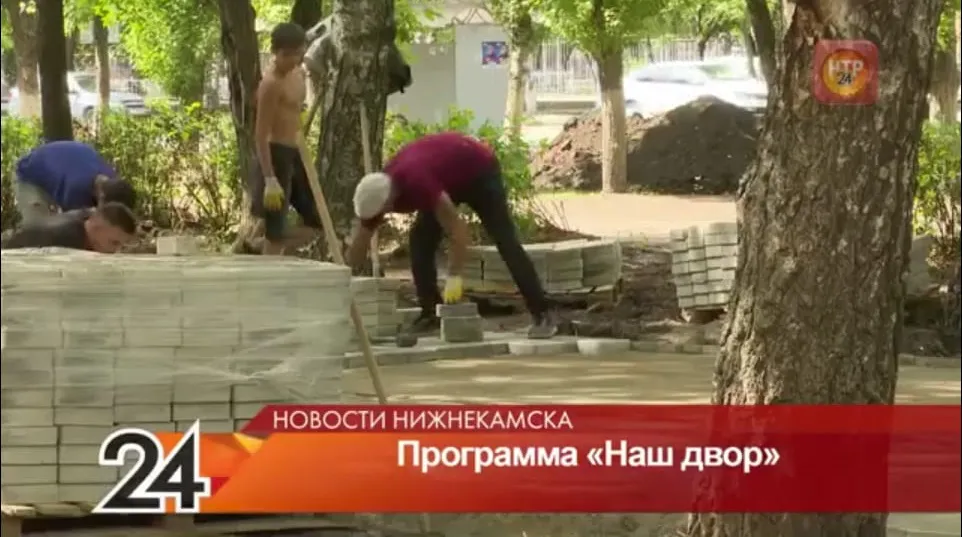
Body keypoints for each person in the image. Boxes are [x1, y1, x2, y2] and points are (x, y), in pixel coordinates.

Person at [348, 132, 557, 339]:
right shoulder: (376, 193)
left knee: (504, 240)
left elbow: (457, 229)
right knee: (420, 241)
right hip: (445, 177)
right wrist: (342, 279)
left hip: (479, 169)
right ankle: (430, 313)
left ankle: (542, 313)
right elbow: (361, 241)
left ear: (388, 202)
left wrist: (454, 275)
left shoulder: (417, 182)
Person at [250, 22, 322, 255]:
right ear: (275, 52)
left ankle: (257, 244)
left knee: (316, 221)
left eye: (297, 53)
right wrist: (269, 178)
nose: (292, 59)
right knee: (276, 231)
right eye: (286, 55)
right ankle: (266, 253)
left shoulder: (299, 73)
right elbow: (261, 134)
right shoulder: (270, 84)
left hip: (296, 152)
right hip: (275, 155)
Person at [14, 141, 137, 226]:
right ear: (101, 196)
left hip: (59, 164)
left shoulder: (110, 176)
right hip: (31, 174)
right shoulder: (76, 190)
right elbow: (75, 224)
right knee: (37, 227)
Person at [2, 202, 138, 253]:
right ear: (97, 227)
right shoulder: (69, 239)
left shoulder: (86, 218)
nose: (115, 251)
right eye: (114, 243)